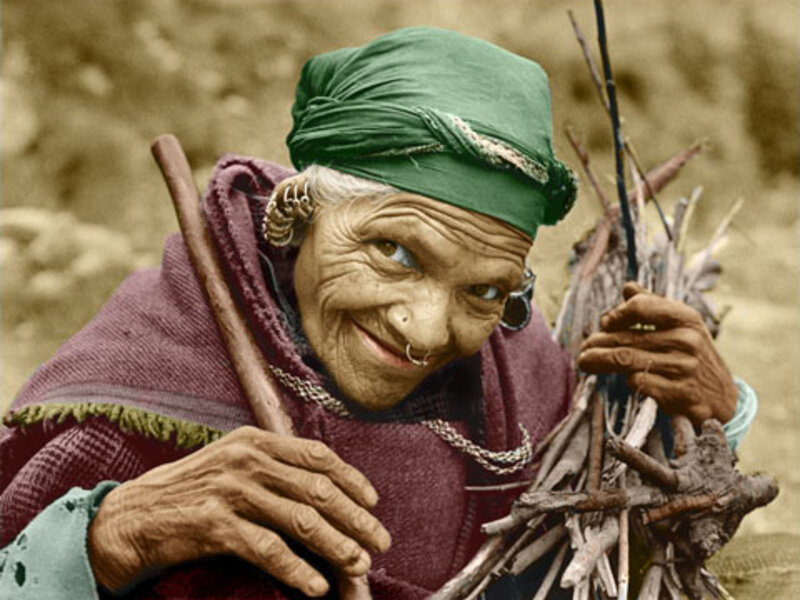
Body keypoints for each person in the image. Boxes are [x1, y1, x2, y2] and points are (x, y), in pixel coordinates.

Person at [0, 27, 754, 599]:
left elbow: (607, 564)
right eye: (395, 253)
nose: (427, 331)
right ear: (300, 213)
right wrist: (111, 534)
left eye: (484, 292)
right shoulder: (144, 380)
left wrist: (720, 425)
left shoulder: (526, 385)